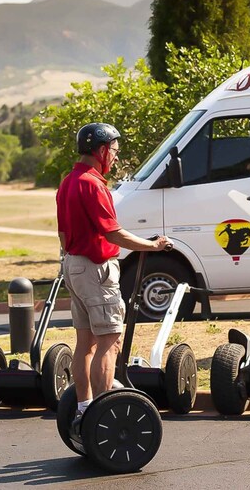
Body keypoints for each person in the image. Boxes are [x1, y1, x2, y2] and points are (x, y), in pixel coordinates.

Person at [56, 122, 172, 433]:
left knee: (86, 342)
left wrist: (74, 263)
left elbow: (64, 235)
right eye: (115, 151)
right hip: (95, 268)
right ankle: (103, 413)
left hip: (74, 264)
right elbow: (112, 232)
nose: (116, 158)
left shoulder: (68, 182)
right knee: (109, 340)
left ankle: (83, 408)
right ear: (102, 150)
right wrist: (153, 245)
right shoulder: (94, 185)